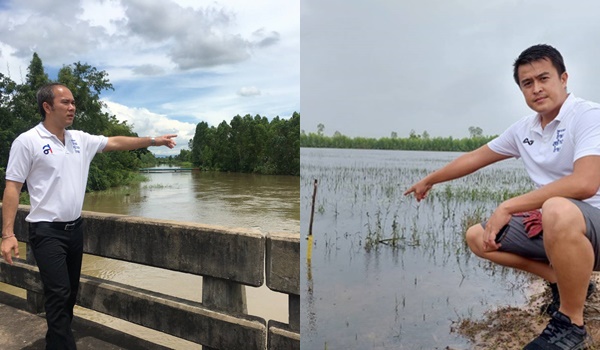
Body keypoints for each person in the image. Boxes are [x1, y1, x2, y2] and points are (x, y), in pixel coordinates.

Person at [405, 44, 600, 350]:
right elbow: (475, 157)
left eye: (544, 78)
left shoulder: (588, 116)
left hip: (592, 226)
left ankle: (571, 324)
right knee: (478, 236)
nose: (536, 88)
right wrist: (429, 180)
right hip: (557, 226)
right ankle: (565, 281)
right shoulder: (525, 130)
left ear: (564, 78)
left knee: (556, 209)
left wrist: (509, 205)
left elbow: (585, 183)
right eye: (527, 83)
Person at [0, 83, 177, 349]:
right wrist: (8, 234)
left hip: (75, 229)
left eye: (73, 103)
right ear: (47, 107)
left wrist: (154, 140)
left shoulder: (79, 139)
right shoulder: (28, 141)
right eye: (65, 103)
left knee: (69, 293)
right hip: (46, 230)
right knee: (58, 293)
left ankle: (56, 342)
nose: (72, 108)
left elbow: (116, 142)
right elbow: (13, 187)